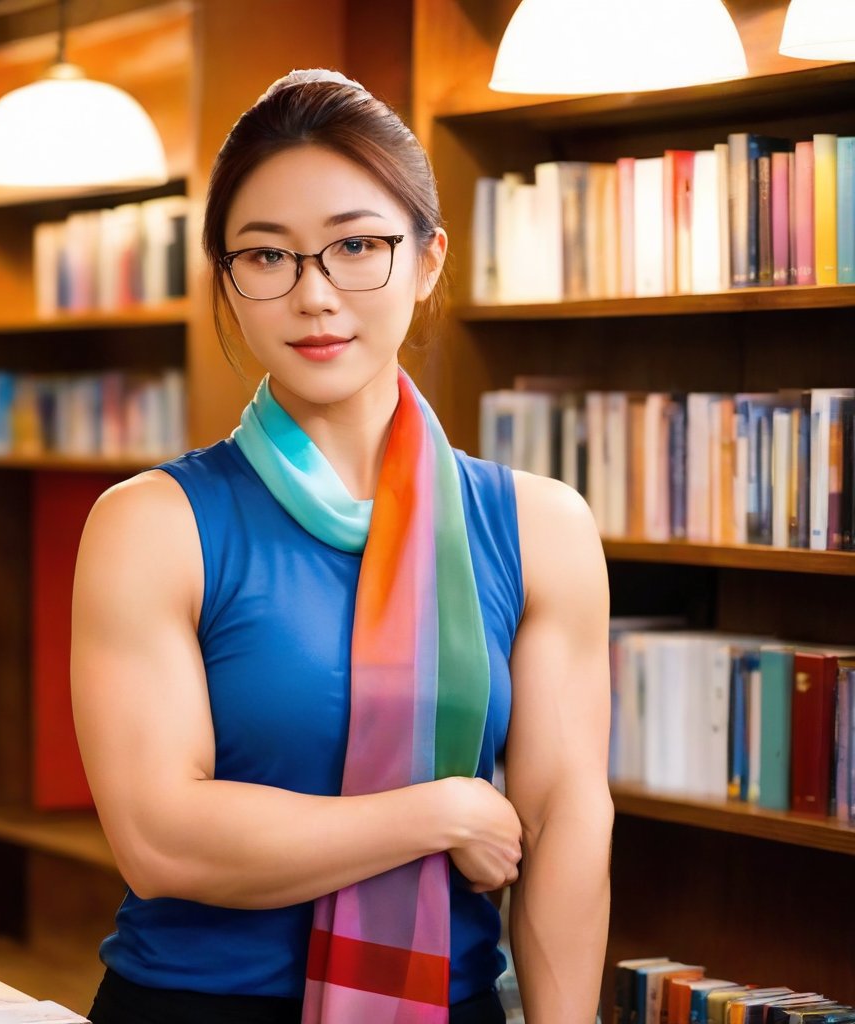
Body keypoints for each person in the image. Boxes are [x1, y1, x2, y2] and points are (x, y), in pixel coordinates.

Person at [71, 69, 613, 1024]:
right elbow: (162, 837)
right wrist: (439, 813)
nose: (315, 295)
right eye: (268, 257)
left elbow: (567, 823)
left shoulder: (543, 527)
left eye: (358, 246)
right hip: (197, 1007)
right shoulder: (149, 524)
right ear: (228, 281)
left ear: (429, 259)